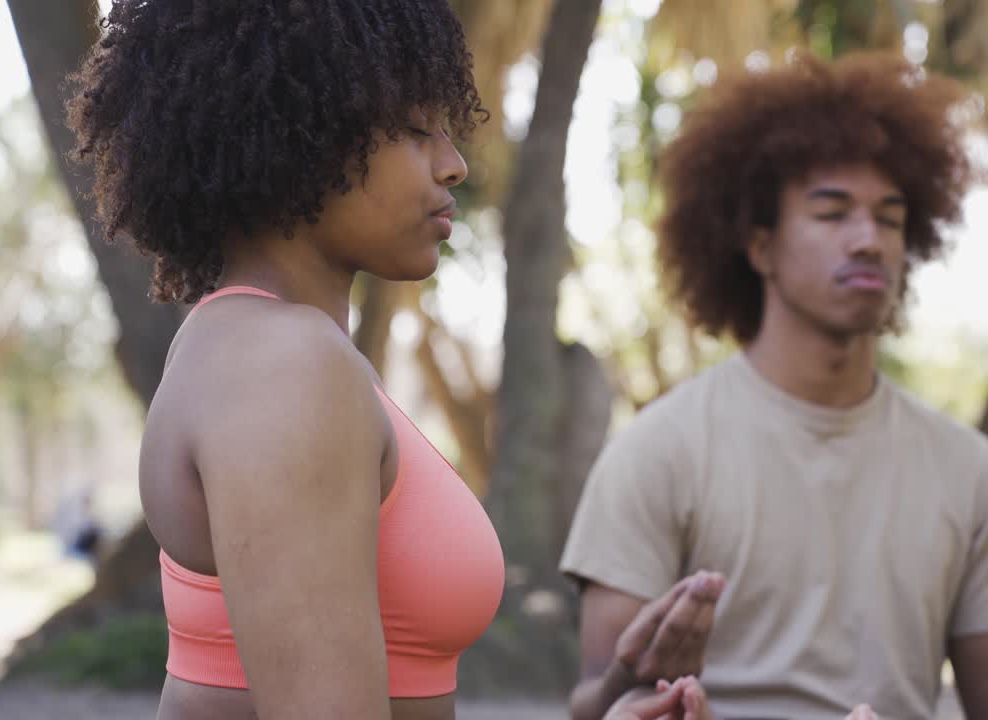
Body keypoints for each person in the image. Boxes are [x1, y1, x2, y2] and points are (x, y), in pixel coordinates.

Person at [559, 50, 988, 720]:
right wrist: (632, 677)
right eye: (833, 213)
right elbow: (591, 704)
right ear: (760, 245)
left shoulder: (968, 469)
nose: (868, 239)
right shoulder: (657, 452)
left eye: (890, 218)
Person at [63, 2, 711, 719]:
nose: (454, 164)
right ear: (296, 129)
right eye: (414, 129)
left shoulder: (265, 348)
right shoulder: (284, 367)